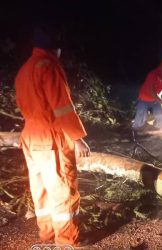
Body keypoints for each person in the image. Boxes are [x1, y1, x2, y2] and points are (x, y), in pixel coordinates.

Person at [15, 26, 90, 246]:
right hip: (50, 137)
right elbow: (62, 107)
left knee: (42, 190)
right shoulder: (48, 66)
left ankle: (47, 239)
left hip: (30, 136)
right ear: (55, 49)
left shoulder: (24, 70)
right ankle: (67, 242)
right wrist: (77, 138)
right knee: (62, 191)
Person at [132, 59, 162, 130]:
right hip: (144, 100)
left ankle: (157, 134)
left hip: (155, 101)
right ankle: (134, 134)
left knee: (161, 116)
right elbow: (152, 93)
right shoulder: (153, 74)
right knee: (140, 118)